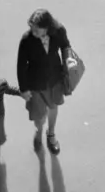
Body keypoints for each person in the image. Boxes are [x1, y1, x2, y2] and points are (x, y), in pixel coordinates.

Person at [17, 9, 71, 156]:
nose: (33, 30)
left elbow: (65, 46)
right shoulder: (26, 39)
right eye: (31, 27)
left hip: (54, 79)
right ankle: (39, 131)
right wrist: (24, 89)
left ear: (47, 27)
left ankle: (51, 134)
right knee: (39, 115)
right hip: (35, 84)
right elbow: (21, 65)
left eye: (37, 28)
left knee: (53, 107)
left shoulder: (58, 31)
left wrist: (70, 65)